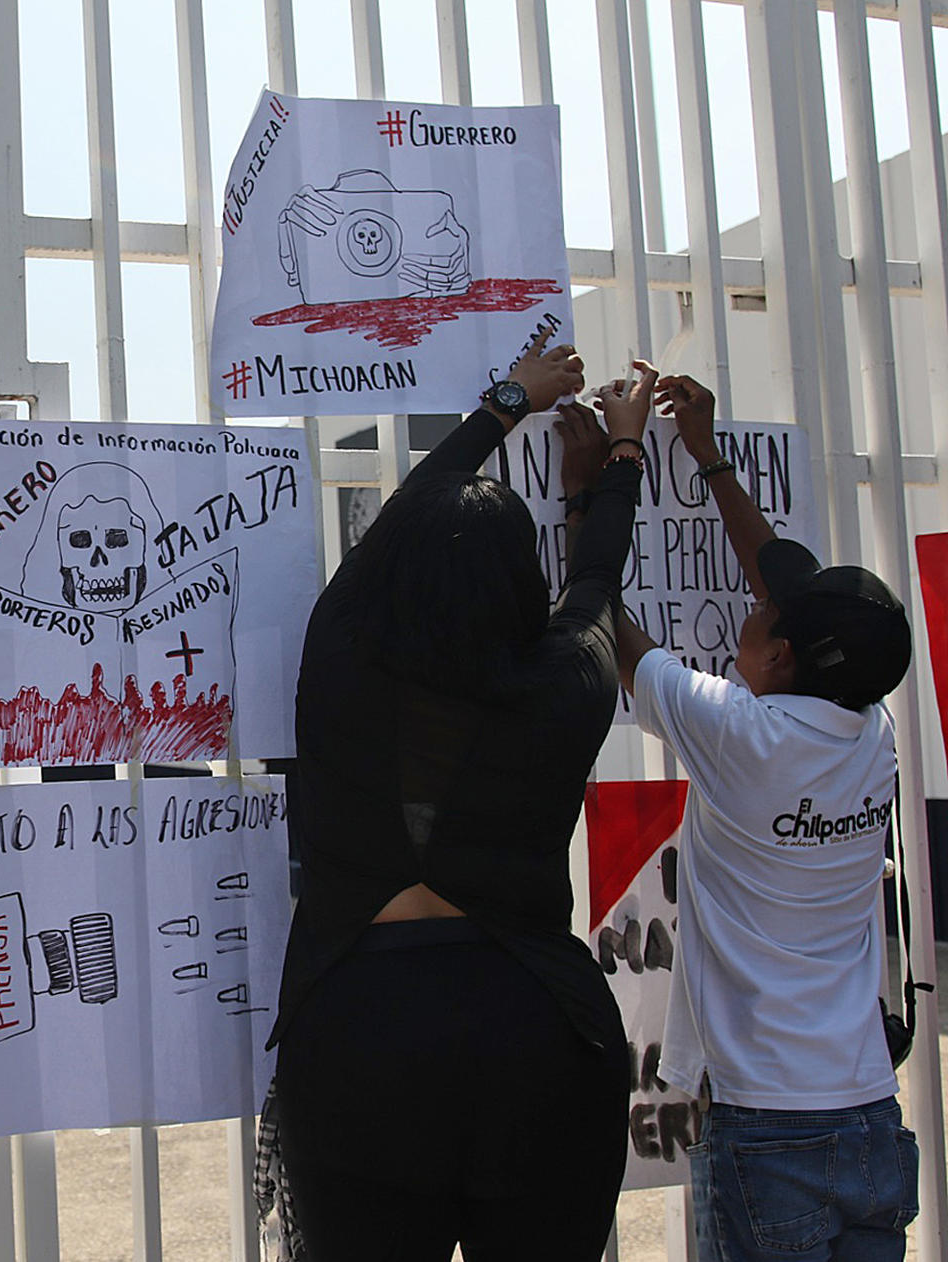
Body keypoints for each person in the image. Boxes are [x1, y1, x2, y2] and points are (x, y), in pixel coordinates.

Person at [261, 336, 647, 1261]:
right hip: (536, 1033)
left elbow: (403, 518)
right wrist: (620, 457)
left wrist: (508, 401)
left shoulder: (339, 658)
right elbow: (596, 582)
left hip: (360, 1034)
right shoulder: (562, 687)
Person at [611, 373, 919, 1261]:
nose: (748, 601)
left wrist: (612, 470)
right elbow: (779, 573)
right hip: (865, 1113)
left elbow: (619, 631)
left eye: (759, 614)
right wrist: (708, 457)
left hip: (766, 1125)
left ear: (780, 656)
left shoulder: (739, 734)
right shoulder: (872, 732)